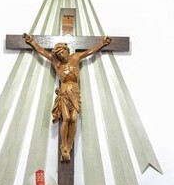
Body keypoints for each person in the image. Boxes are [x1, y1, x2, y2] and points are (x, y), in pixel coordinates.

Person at [23, 33, 111, 161]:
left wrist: (102, 43)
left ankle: (69, 145)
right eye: (59, 55)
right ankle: (63, 144)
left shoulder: (75, 58)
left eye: (63, 53)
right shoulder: (56, 63)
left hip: (75, 92)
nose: (61, 56)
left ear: (66, 50)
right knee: (66, 119)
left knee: (74, 119)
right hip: (64, 93)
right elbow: (42, 52)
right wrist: (32, 42)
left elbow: (89, 52)